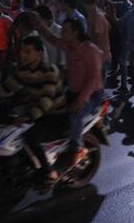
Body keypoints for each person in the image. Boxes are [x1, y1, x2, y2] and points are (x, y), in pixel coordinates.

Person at [0, 35, 67, 185]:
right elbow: (4, 88)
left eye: (28, 52)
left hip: (54, 114)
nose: (23, 55)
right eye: (22, 51)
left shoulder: (49, 71)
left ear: (40, 53)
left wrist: (28, 116)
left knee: (30, 137)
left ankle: (49, 171)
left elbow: (46, 100)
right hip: (35, 111)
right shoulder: (23, 70)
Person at [37, 18, 104, 165]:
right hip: (72, 91)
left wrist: (81, 100)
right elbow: (52, 39)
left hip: (91, 95)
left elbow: (94, 78)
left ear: (76, 32)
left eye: (66, 30)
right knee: (49, 106)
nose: (62, 32)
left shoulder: (90, 50)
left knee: (75, 114)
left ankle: (77, 148)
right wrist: (40, 25)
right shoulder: (69, 46)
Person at [81, 0, 112, 79]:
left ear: (83, 3)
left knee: (98, 82)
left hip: (100, 54)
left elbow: (97, 38)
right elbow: (109, 27)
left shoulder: (97, 16)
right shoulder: (96, 12)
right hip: (101, 53)